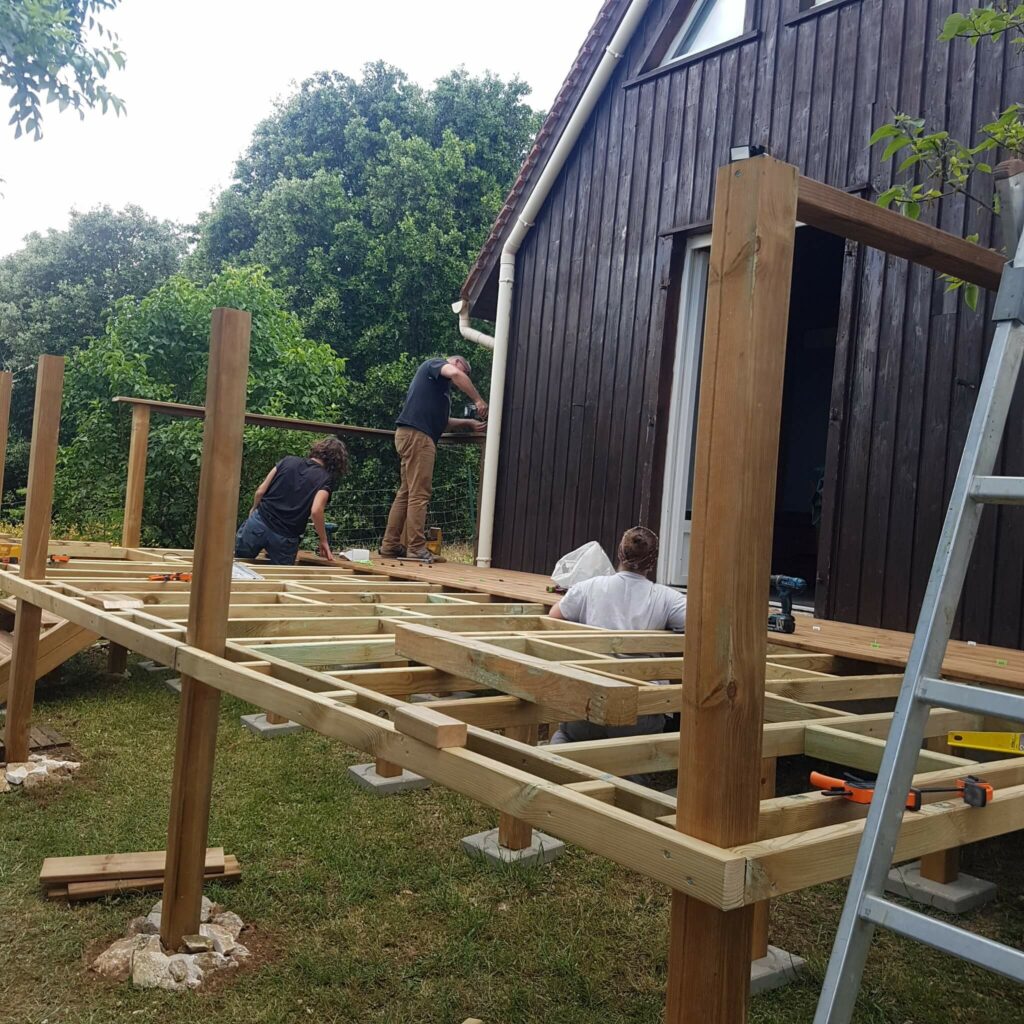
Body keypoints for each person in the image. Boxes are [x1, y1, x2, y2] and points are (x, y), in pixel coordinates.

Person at [548, 526, 685, 745]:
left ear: (619, 552)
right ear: (653, 561)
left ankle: (553, 768)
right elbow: (701, 624)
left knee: (565, 735)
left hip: (589, 701)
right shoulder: (667, 599)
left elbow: (553, 618)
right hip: (639, 711)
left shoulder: (587, 588)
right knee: (635, 764)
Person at [380, 354, 487, 562]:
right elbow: (455, 374)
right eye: (465, 373)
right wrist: (478, 400)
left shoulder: (437, 388)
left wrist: (468, 423)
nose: (461, 380)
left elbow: (443, 422)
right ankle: (416, 548)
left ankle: (390, 545)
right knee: (420, 494)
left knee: (406, 492)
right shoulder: (435, 364)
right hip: (419, 437)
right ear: (457, 363)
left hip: (408, 434)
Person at [235, 436, 349, 566]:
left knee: (237, 567)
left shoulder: (288, 461)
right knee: (279, 580)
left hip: (259, 522)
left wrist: (253, 509)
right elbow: (316, 510)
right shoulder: (325, 479)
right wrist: (323, 540)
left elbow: (261, 491)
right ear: (337, 462)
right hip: (285, 537)